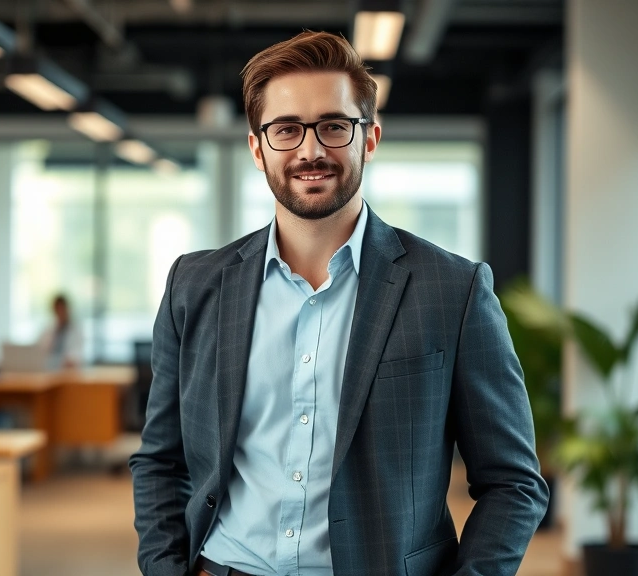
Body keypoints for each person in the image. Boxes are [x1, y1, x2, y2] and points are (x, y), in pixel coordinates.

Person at [130, 32, 548, 576]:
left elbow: (513, 482)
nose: (310, 150)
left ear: (368, 138)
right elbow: (161, 460)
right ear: (258, 148)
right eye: (286, 129)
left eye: (333, 125)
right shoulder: (195, 285)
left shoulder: (452, 290)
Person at [37, 293, 83, 369]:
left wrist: (71, 359)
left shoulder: (76, 328)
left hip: (70, 370)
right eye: (58, 309)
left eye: (62, 309)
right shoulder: (49, 328)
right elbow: (41, 348)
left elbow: (78, 350)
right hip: (50, 369)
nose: (60, 312)